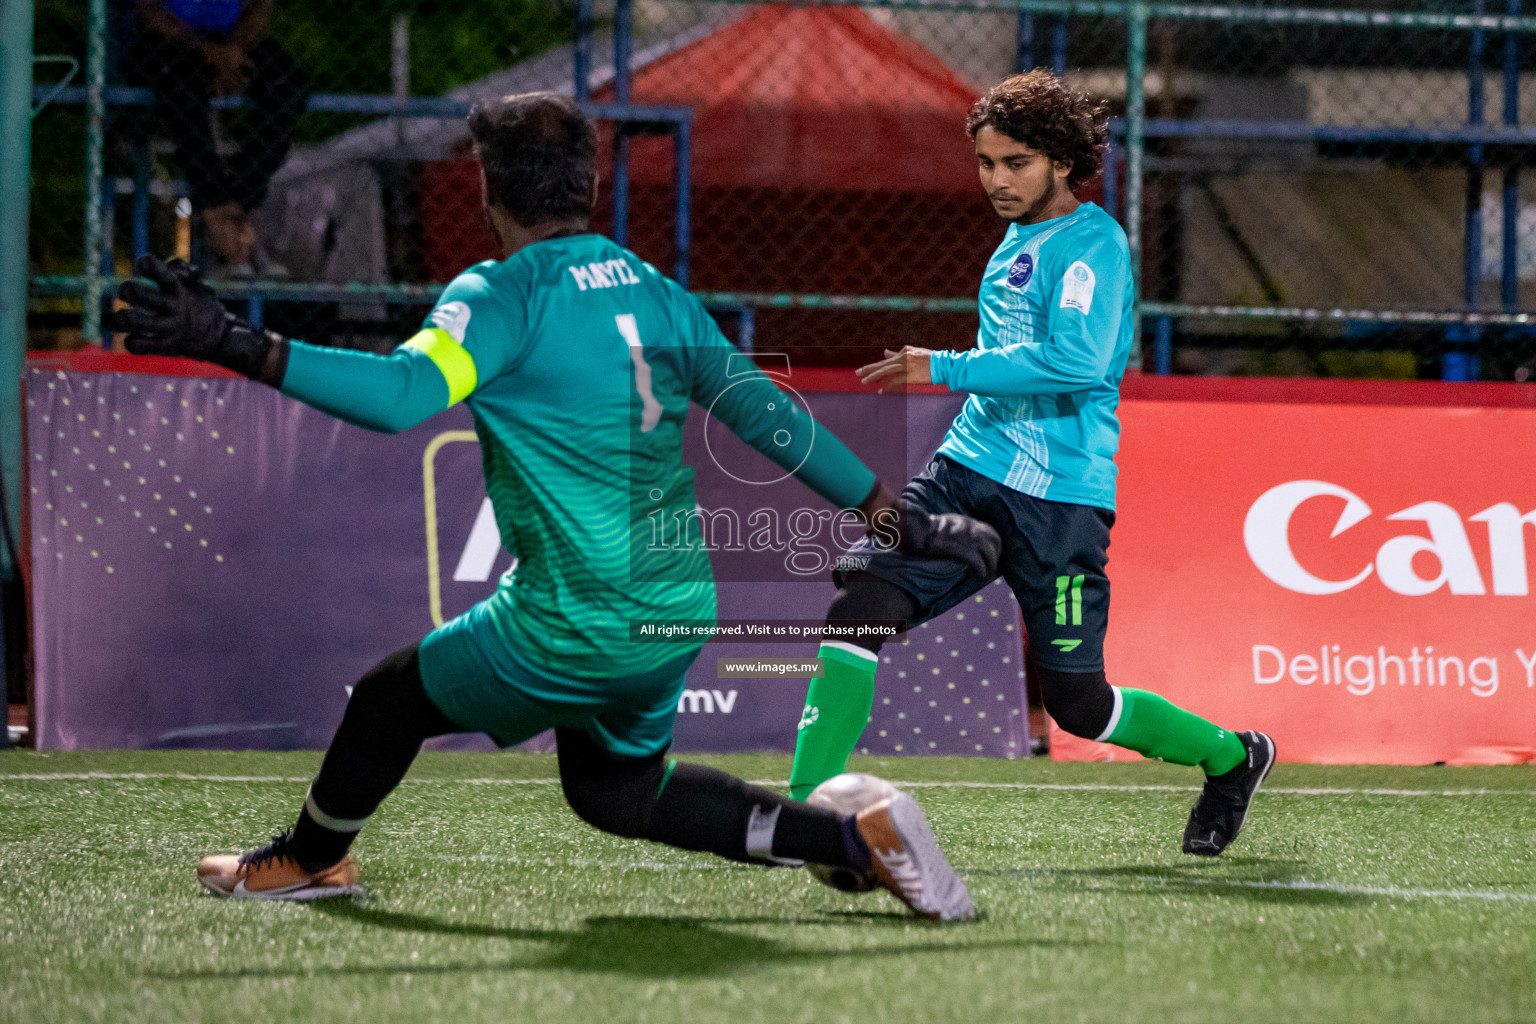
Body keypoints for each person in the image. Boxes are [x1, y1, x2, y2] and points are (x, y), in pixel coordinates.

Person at [115, 93, 998, 920]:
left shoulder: (501, 297)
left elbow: (398, 398)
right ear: (590, 185)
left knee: (389, 700)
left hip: (573, 618)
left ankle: (311, 860)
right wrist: (899, 520)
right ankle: (848, 837)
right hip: (673, 612)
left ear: (487, 188)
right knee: (618, 794)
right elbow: (769, 419)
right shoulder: (654, 291)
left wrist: (234, 342)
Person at [787, 70, 1277, 857]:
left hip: (1058, 502)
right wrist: (958, 379)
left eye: (1015, 162)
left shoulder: (1093, 245)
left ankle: (1233, 757)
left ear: (1059, 159)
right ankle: (803, 815)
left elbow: (1077, 361)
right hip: (967, 474)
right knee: (859, 609)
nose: (997, 180)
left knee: (1081, 708)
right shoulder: (1013, 243)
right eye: (985, 163)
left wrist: (944, 367)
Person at [123, 0, 309, 273]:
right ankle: (215, 208)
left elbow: (261, 7)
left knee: (286, 86)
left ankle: (235, 207)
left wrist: (234, 50)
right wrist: (209, 52)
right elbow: (148, 11)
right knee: (181, 87)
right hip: (164, 43)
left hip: (231, 42)